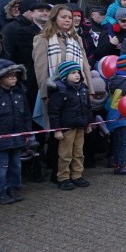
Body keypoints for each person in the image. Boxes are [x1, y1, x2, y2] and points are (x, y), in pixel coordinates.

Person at [47, 61, 93, 191]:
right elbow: (54, 112)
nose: (77, 75)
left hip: (80, 127)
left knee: (79, 152)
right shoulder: (59, 91)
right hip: (67, 128)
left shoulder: (83, 88)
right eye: (73, 73)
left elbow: (88, 108)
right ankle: (63, 177)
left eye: (78, 72)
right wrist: (57, 130)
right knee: (65, 154)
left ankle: (77, 175)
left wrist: (88, 123)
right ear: (64, 75)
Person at [0, 60, 32, 204]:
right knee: (1, 167)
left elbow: (26, 115)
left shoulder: (20, 93)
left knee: (16, 165)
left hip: (18, 138)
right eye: (9, 76)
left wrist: (27, 133)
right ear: (0, 78)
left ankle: (14, 188)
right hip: (1, 141)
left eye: (15, 76)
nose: (13, 78)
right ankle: (1, 191)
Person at [105, 55, 126, 176]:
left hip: (115, 116)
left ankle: (116, 161)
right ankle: (121, 165)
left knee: (118, 141)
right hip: (123, 117)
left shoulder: (114, 80)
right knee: (125, 142)